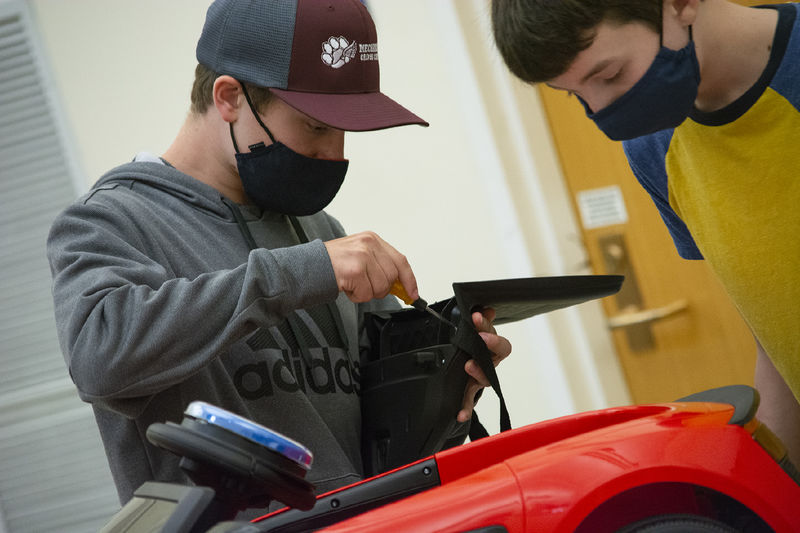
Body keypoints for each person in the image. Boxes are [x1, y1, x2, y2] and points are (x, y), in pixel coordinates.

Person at [47, 0, 511, 508]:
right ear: (229, 98)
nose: (334, 154)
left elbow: (384, 451)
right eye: (316, 126)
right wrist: (302, 272)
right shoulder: (110, 222)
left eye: (345, 130)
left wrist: (444, 391)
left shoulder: (319, 231)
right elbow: (99, 357)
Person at [490, 0, 800, 461]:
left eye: (609, 75)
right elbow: (776, 333)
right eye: (573, 94)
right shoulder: (654, 145)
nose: (601, 113)